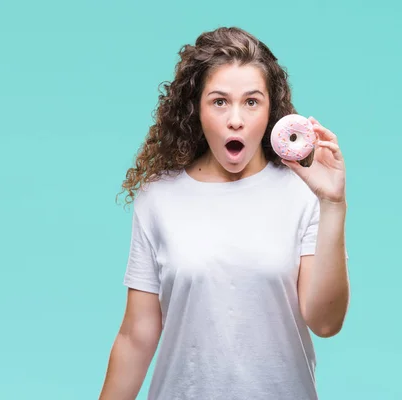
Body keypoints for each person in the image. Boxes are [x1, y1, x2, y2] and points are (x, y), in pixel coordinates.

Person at [98, 26, 350, 400]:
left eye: (251, 102)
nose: (236, 119)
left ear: (271, 112)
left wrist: (332, 203)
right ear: (195, 110)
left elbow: (326, 322)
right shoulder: (159, 197)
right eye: (219, 102)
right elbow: (137, 335)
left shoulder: (302, 192)